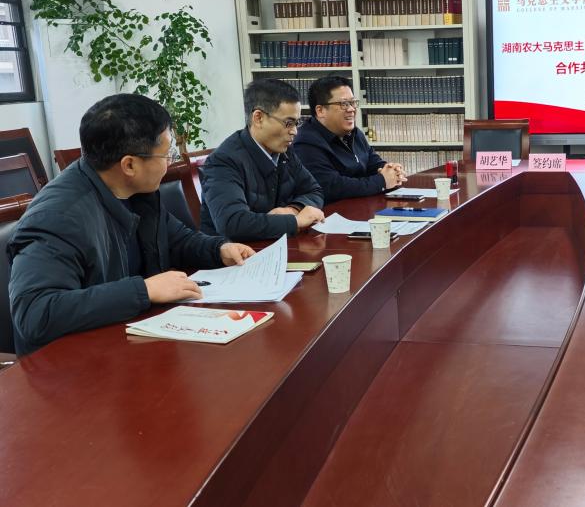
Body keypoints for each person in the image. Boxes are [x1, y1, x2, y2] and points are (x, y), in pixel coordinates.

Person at [7, 94, 254, 355]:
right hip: (72, 364)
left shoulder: (134, 191)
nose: (170, 162)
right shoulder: (58, 218)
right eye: (166, 154)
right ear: (129, 164)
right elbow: (36, 313)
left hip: (130, 339)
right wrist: (144, 290)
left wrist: (218, 249)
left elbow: (177, 240)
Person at [200, 79, 325, 241]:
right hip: (235, 252)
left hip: (274, 244)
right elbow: (232, 223)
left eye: (296, 123)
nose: (294, 131)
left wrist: (293, 209)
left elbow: (314, 190)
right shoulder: (223, 161)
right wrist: (294, 221)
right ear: (258, 118)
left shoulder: (284, 151)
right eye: (288, 123)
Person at [291, 76, 407, 202]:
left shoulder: (354, 133)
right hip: (331, 211)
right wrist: (382, 181)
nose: (351, 109)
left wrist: (392, 170)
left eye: (352, 103)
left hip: (363, 205)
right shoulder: (305, 143)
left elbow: (373, 163)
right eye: (344, 104)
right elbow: (333, 187)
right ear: (320, 110)